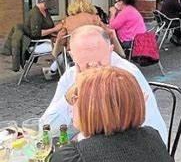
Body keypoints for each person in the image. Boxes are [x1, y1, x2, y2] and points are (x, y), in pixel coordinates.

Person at [45, 66, 179, 162]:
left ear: (94, 109)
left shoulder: (72, 160)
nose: (72, 105)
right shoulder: (152, 137)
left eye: (75, 98)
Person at [39, 25, 168, 142]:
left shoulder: (126, 76)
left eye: (101, 62)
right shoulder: (70, 76)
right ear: (72, 56)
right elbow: (46, 129)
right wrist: (72, 92)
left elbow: (153, 133)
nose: (95, 69)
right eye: (86, 64)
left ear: (111, 50)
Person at [2, 0, 62, 72]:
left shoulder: (45, 11)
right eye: (52, 1)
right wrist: (54, 29)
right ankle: (55, 70)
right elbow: (36, 34)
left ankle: (55, 69)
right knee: (63, 46)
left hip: (44, 40)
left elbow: (48, 27)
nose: (53, 3)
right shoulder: (35, 14)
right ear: (45, 1)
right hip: (36, 43)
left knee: (63, 43)